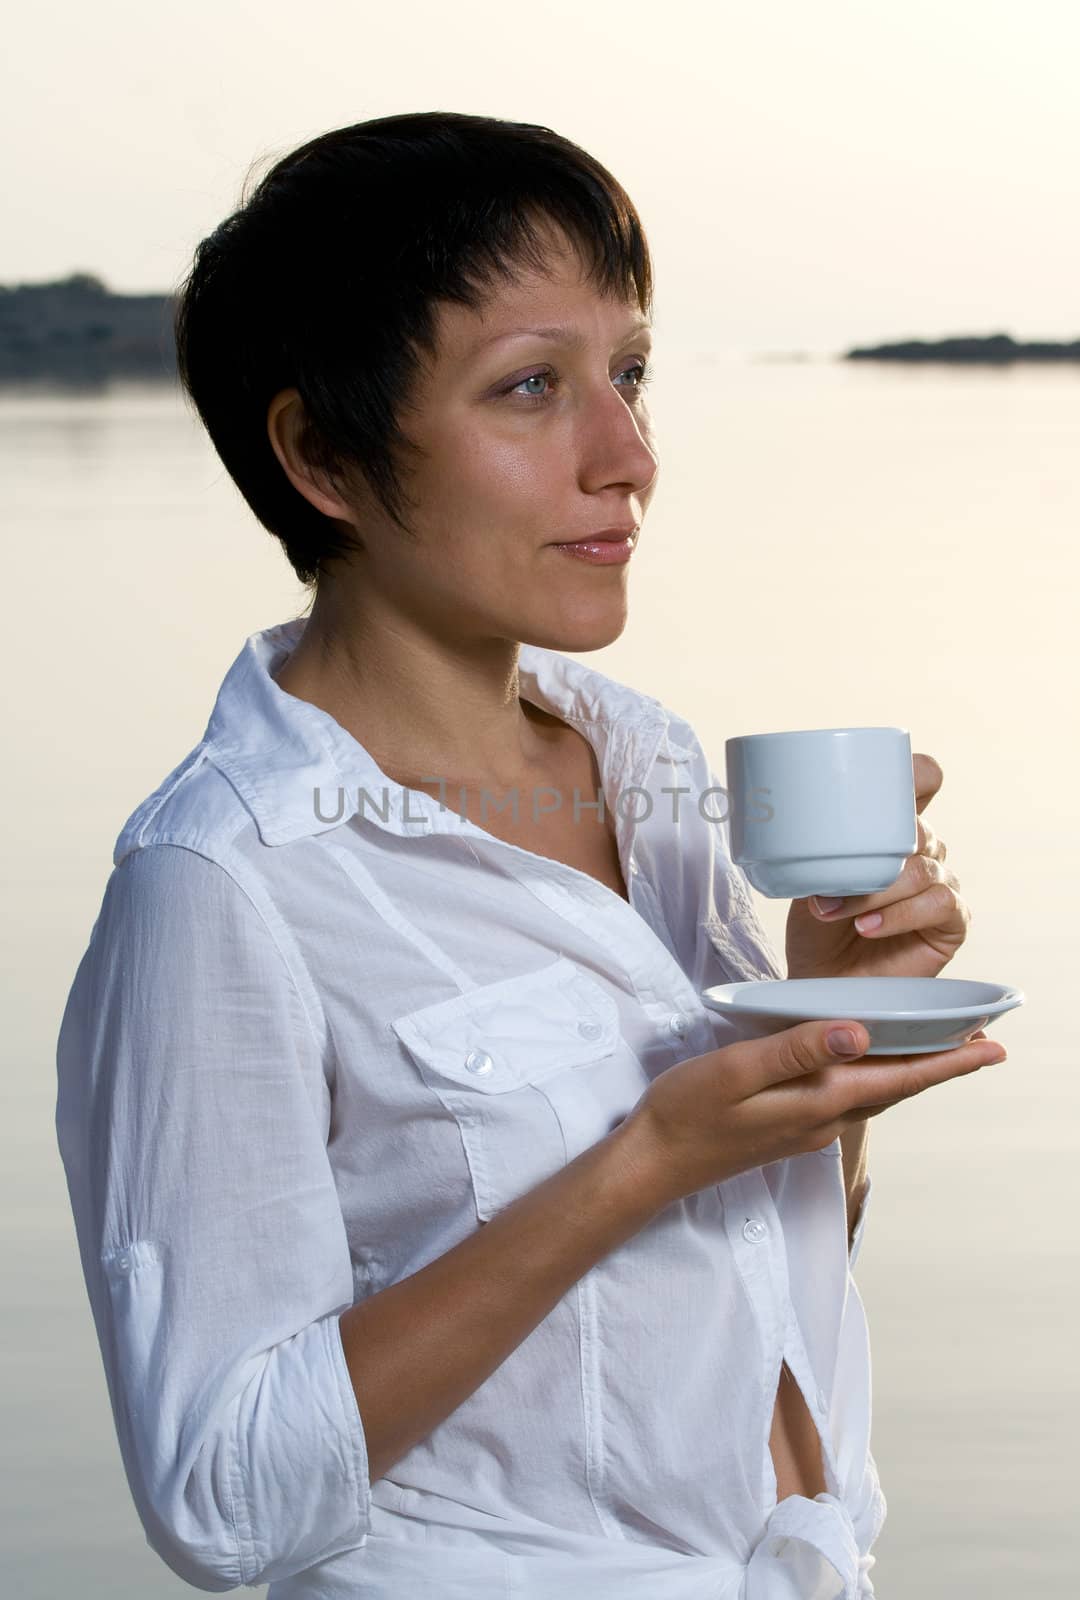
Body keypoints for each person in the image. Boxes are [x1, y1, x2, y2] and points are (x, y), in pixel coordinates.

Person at [54, 110, 1004, 1599]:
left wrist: (834, 1040)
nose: (625, 457)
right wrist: (636, 1166)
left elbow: (741, 1291)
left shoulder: (650, 763)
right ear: (322, 455)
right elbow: (222, 1496)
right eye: (529, 389)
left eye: (627, 373)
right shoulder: (224, 883)